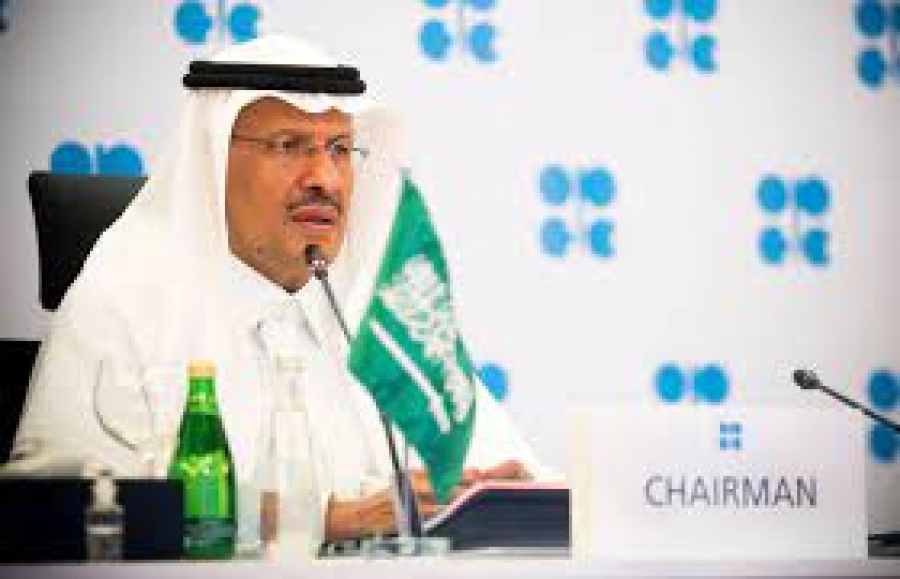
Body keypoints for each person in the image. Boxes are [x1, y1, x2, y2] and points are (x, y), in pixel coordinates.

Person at [12, 35, 548, 546]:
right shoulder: (125, 301)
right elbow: (55, 509)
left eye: (340, 149)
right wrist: (327, 521)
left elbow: (509, 483)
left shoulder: (379, 313)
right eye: (288, 146)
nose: (325, 179)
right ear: (215, 159)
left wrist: (494, 495)